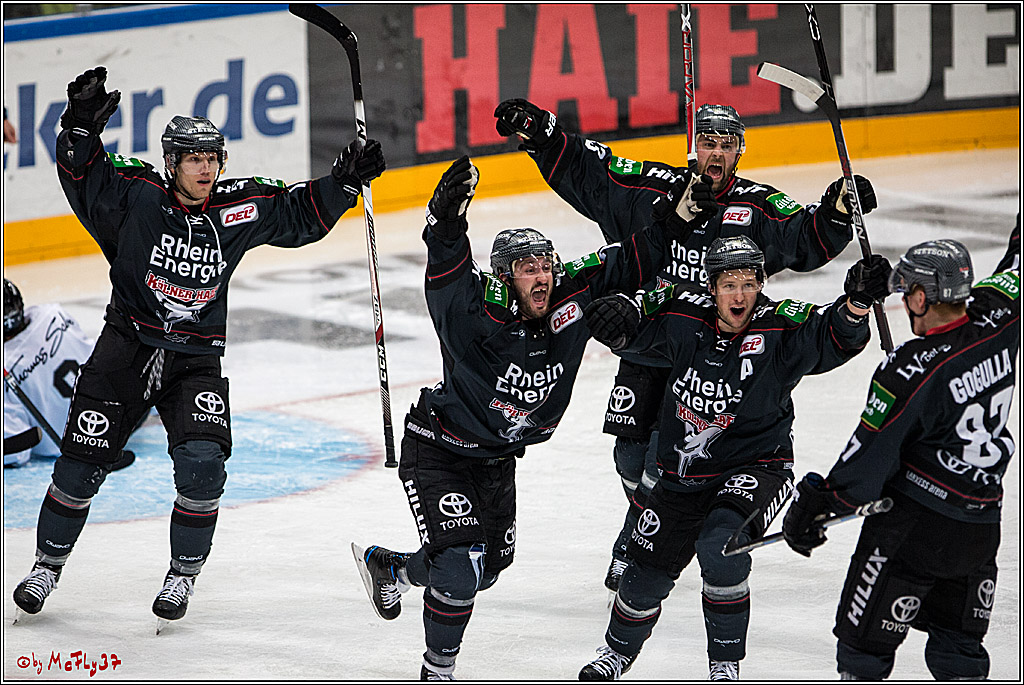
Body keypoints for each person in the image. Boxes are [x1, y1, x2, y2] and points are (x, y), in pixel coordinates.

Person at [11, 66, 386, 626]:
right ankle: (47, 566)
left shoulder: (236, 207)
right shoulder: (137, 195)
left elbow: (298, 213)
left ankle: (182, 575)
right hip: (126, 348)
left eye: (213, 158)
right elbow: (83, 176)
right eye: (193, 159)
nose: (206, 168)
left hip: (194, 359)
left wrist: (345, 180)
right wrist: (81, 126)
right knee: (80, 467)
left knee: (204, 468)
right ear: (172, 163)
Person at [351, 155, 716, 680]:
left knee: (485, 571)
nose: (542, 275)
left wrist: (678, 218)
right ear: (504, 278)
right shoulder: (477, 312)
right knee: (459, 567)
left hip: (498, 458)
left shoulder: (569, 295)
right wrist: (446, 222)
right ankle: (437, 670)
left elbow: (630, 259)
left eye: (546, 264)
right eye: (528, 268)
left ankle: (393, 570)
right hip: (440, 448)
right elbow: (447, 276)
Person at [494, 98, 878, 593]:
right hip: (647, 341)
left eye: (726, 145)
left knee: (667, 460)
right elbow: (597, 174)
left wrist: (837, 211)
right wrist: (545, 134)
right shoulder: (657, 189)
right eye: (708, 143)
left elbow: (804, 236)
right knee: (630, 458)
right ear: (694, 145)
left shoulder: (757, 205)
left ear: (740, 150)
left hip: (707, 358)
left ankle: (636, 544)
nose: (716, 154)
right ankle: (649, 526)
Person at [574, 235, 892, 680]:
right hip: (682, 476)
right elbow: (635, 326)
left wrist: (856, 304)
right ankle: (616, 653)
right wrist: (619, 317)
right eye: (728, 285)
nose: (739, 295)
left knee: (720, 547)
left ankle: (724, 663)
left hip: (757, 466)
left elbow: (831, 334)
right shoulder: (684, 314)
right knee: (644, 573)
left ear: (761, 284)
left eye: (748, 283)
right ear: (712, 288)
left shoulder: (780, 326)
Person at [782, 220, 1020, 680]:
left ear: (922, 297)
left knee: (863, 651)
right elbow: (1017, 264)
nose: (905, 301)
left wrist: (817, 505)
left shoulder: (909, 370)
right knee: (959, 651)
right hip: (980, 527)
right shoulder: (1000, 314)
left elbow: (867, 463)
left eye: (908, 292)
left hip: (912, 531)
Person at [3, 278, 135, 470]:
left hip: (79, 446)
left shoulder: (6, 365)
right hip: (124, 413)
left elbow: (17, 452)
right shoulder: (52, 314)